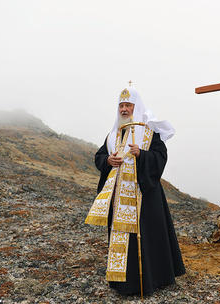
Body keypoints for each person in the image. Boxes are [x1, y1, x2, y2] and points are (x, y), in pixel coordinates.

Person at [85, 86, 185, 296]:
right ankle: (121, 283)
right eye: (121, 105)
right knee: (121, 239)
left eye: (128, 105)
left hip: (144, 198)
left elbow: (160, 156)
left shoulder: (149, 132)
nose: (124, 109)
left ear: (136, 107)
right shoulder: (113, 134)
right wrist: (108, 160)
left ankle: (152, 280)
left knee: (146, 238)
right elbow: (99, 156)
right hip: (118, 199)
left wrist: (142, 154)